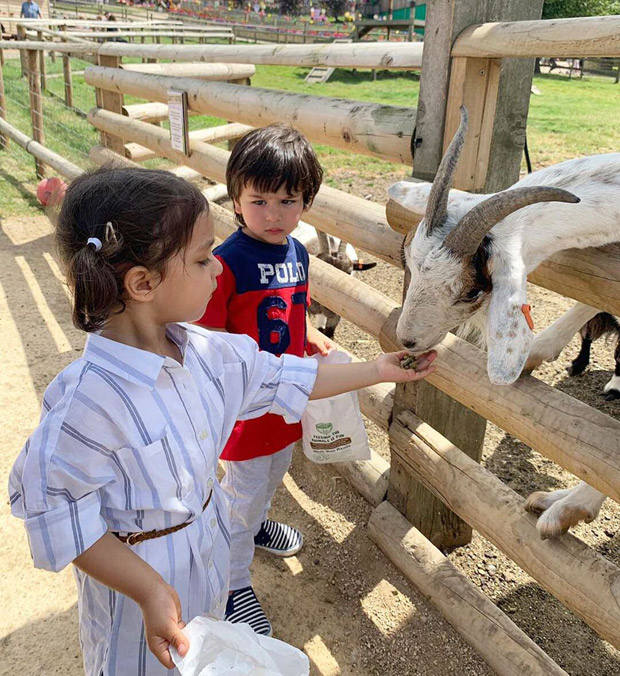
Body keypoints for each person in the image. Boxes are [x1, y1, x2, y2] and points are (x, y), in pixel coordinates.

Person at [8, 166, 437, 675]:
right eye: (202, 257)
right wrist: (147, 591)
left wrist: (378, 369)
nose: (217, 269)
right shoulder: (87, 403)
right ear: (143, 283)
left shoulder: (211, 353)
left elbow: (285, 378)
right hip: (136, 597)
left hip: (204, 557)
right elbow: (56, 513)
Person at [194, 125, 335, 635]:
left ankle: (251, 528)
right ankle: (232, 584)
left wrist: (310, 336)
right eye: (259, 201)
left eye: (288, 200)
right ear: (235, 199)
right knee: (244, 489)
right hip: (248, 408)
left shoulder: (296, 253)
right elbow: (210, 339)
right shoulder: (226, 263)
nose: (274, 215)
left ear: (306, 201)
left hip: (287, 401)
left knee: (274, 474)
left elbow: (291, 312)